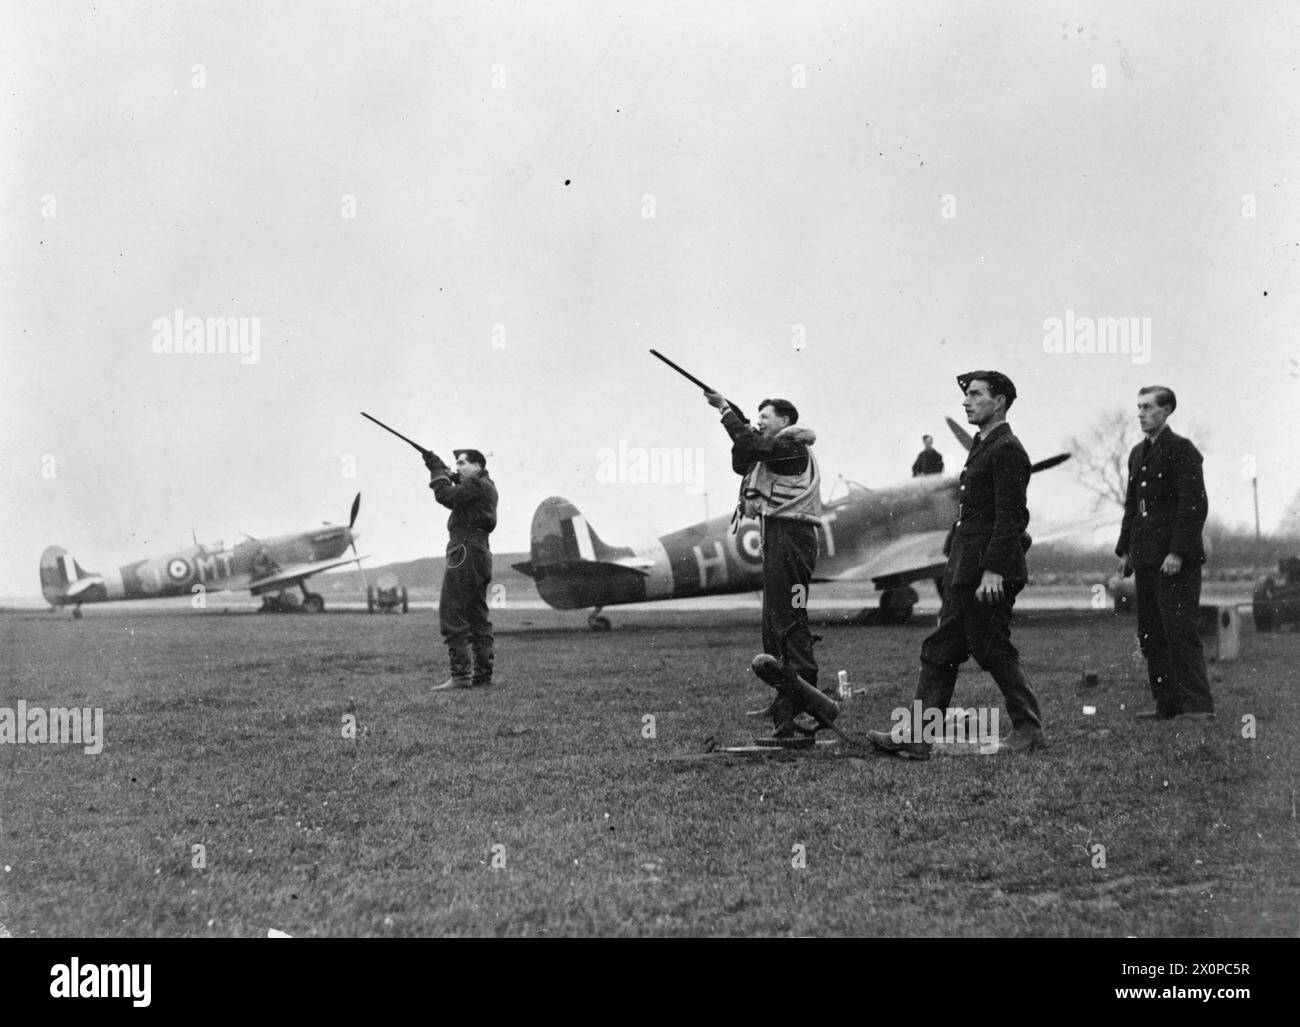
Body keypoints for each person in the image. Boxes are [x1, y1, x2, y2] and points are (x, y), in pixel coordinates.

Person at [868, 371, 1045, 759]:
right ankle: (916, 737)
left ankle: (1029, 728)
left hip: (987, 572)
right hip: (966, 569)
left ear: (999, 401)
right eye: (966, 395)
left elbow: (1011, 516)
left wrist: (994, 570)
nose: (966, 401)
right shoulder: (984, 447)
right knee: (941, 648)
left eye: (976, 394)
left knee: (991, 646)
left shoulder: (1007, 449)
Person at [702, 390, 824, 737]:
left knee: (789, 620)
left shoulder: (791, 447)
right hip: (779, 535)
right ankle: (786, 703)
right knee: (775, 623)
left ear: (785, 421)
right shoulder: (775, 450)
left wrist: (727, 411)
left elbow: (753, 447)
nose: (760, 422)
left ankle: (804, 705)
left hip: (793, 538)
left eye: (765, 417)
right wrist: (734, 419)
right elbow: (743, 458)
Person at [1115, 386, 1213, 720]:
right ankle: (1167, 703)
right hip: (1145, 558)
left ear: (1167, 410)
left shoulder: (1182, 451)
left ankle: (1198, 705)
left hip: (1174, 561)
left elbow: (1193, 505)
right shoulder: (1137, 454)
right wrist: (1126, 550)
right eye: (1138, 406)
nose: (1140, 413)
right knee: (1151, 633)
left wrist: (1178, 552)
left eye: (1148, 407)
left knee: (1179, 630)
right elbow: (1132, 506)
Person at [426, 448, 498, 690]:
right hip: (479, 551)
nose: (457, 467)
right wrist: (450, 474)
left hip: (464, 549)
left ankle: (460, 676)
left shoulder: (476, 486)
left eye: (462, 463)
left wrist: (437, 471)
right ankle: (481, 675)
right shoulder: (485, 485)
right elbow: (459, 494)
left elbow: (445, 496)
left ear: (477, 466)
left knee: (452, 610)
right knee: (477, 614)